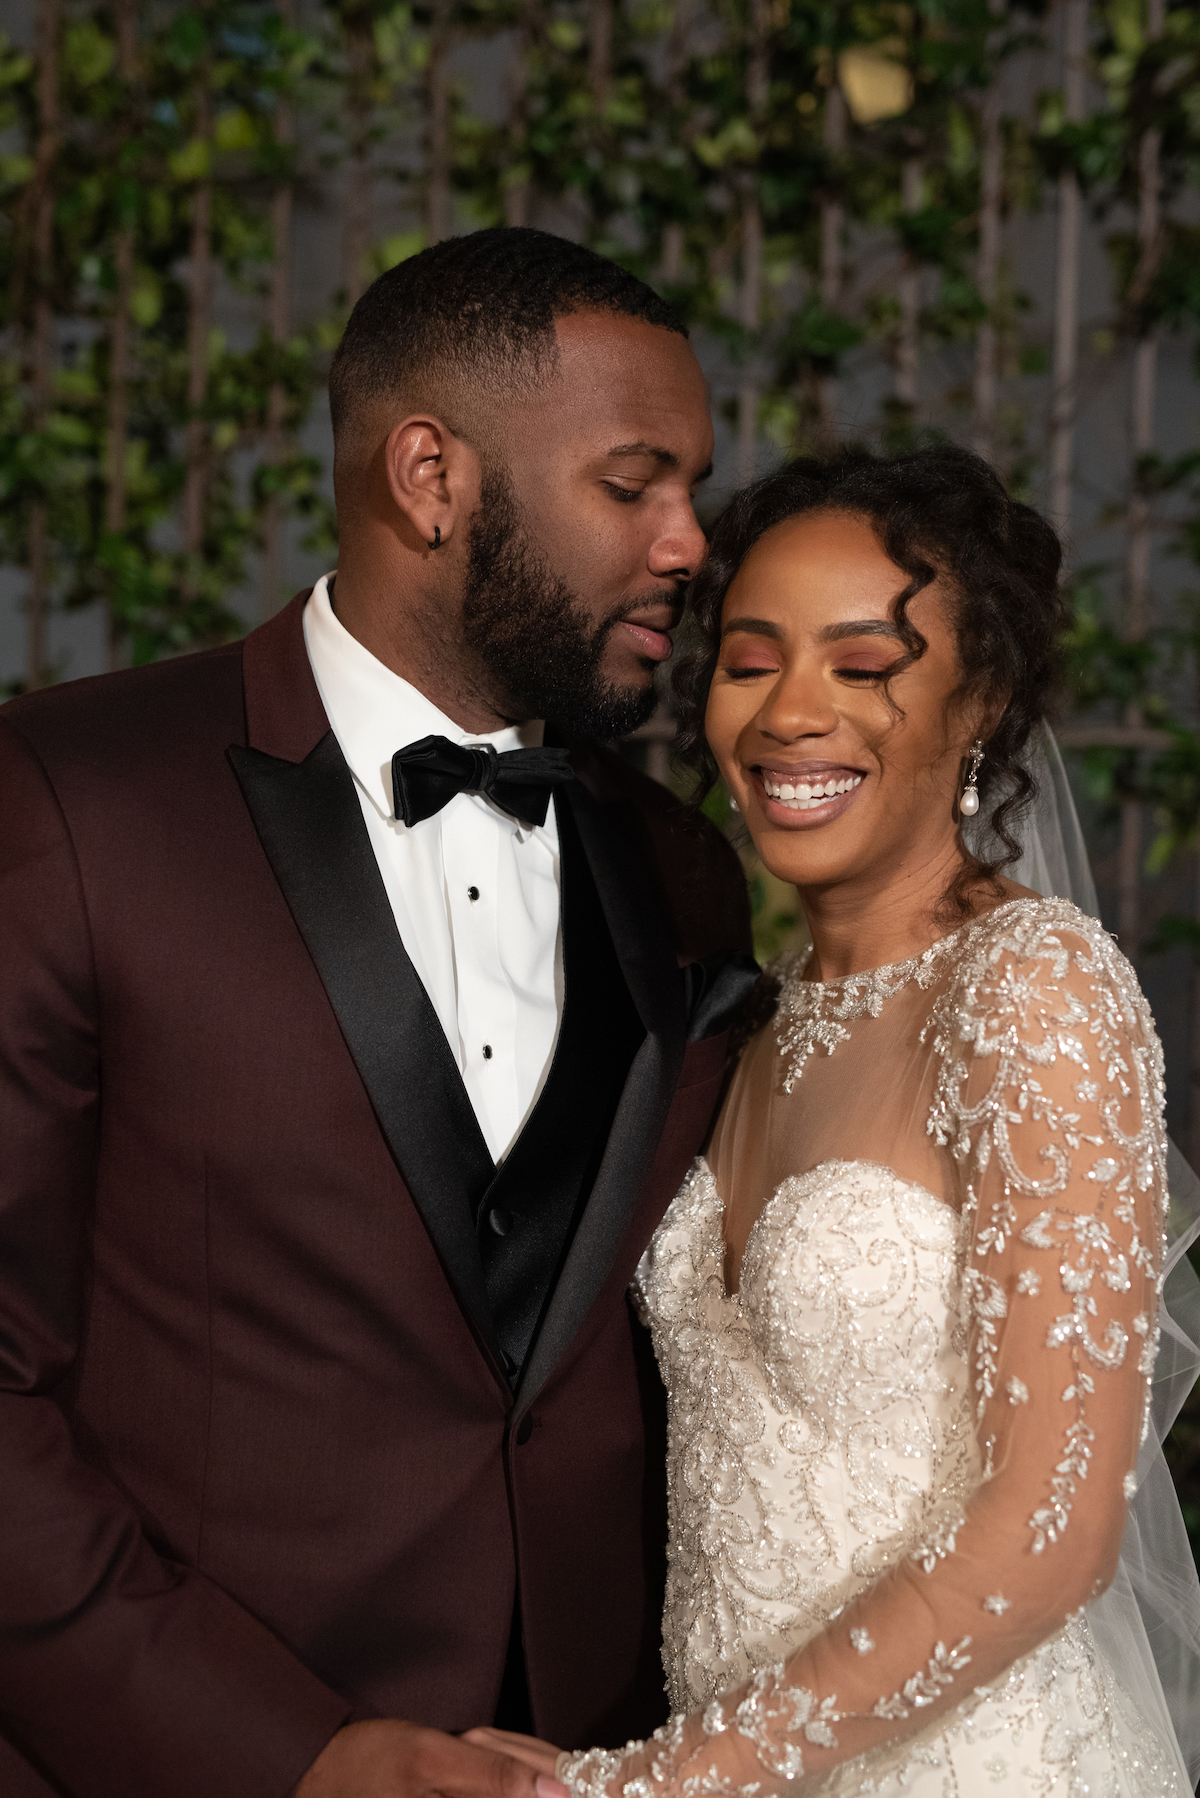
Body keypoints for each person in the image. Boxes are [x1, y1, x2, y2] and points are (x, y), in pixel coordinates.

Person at [0, 228, 756, 1798]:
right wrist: (289, 1755)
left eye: (693, 488)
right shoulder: (73, 798)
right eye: (636, 483)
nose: (691, 543)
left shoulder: (676, 868)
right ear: (432, 475)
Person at [470, 446, 1197, 1793]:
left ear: (978, 701)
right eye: (751, 662)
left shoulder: (1034, 994)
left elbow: (1054, 1526)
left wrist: (651, 1784)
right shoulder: (757, 1022)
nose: (793, 713)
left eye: (865, 666)